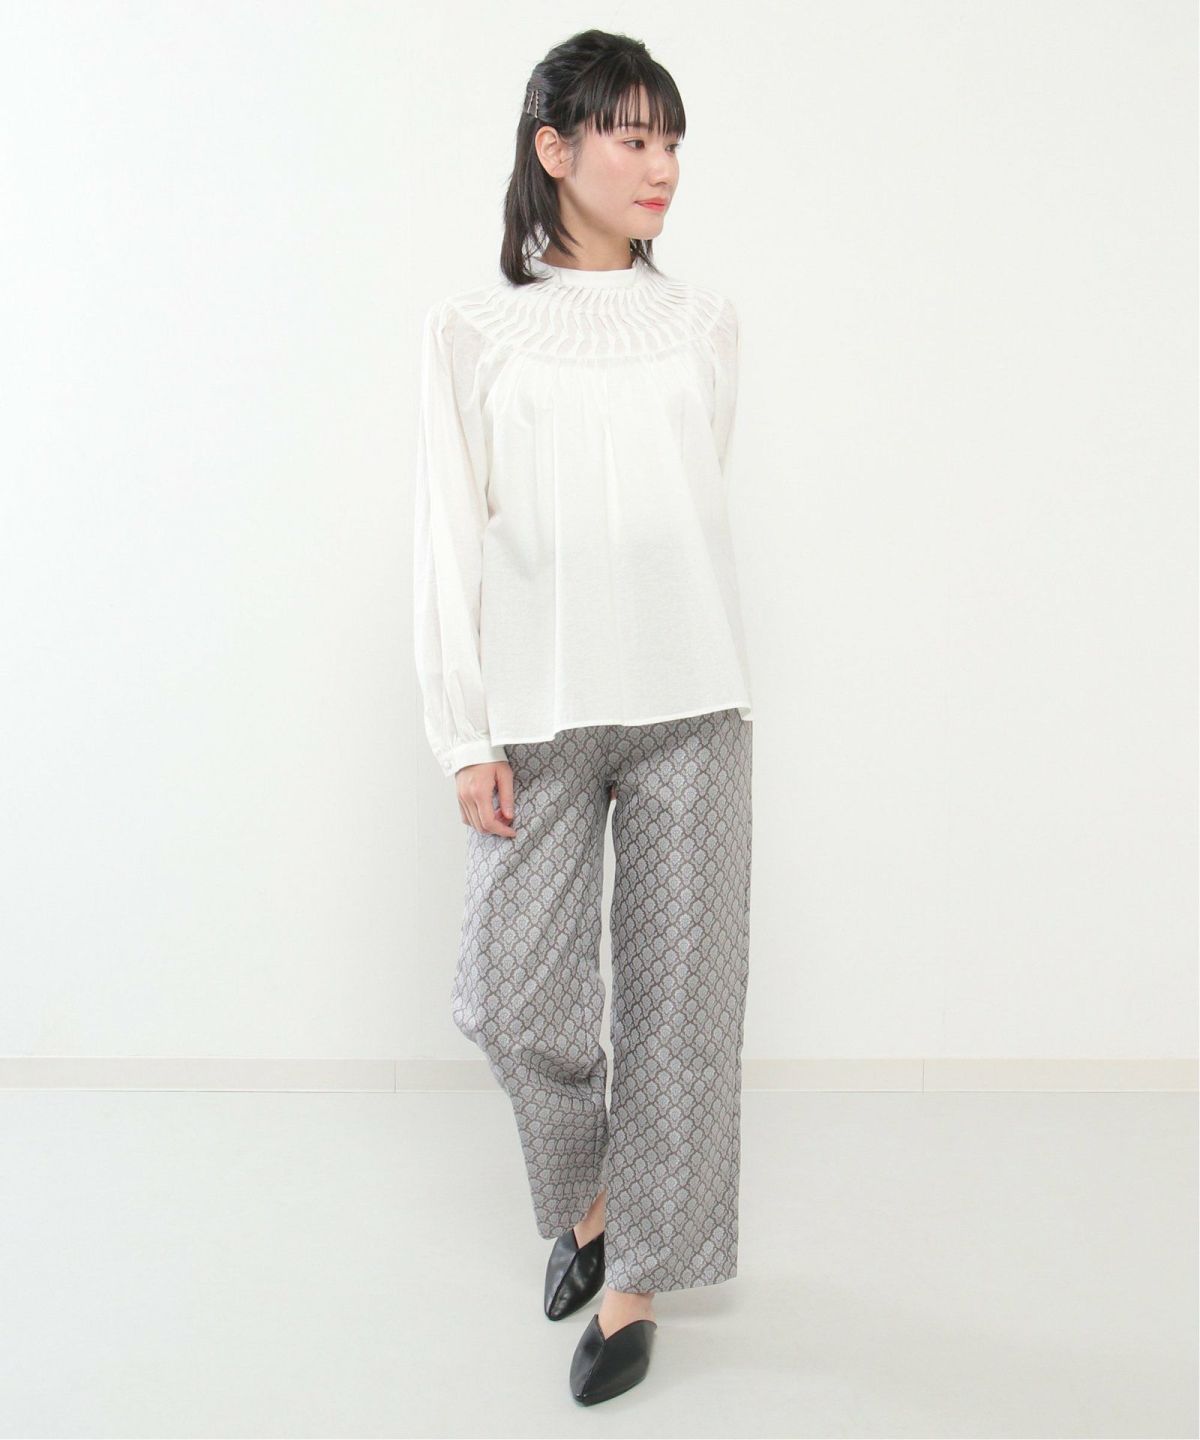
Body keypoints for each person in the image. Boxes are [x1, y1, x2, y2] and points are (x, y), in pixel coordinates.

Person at [412, 27, 754, 1406]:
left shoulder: (704, 323)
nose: (660, 165)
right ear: (554, 149)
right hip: (539, 715)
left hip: (694, 704)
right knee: (508, 996)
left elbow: (689, 509)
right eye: (631, 136)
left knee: (681, 1018)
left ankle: (633, 1284)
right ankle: (596, 1201)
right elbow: (448, 534)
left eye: (672, 140)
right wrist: (465, 734)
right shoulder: (473, 330)